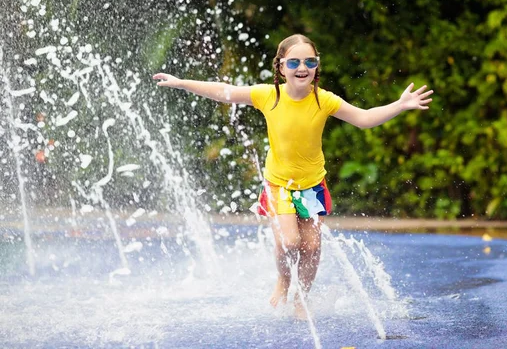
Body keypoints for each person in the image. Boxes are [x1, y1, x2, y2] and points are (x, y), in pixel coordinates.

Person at [153, 34, 433, 319]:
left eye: (310, 61)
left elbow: (364, 119)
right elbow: (224, 91)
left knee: (311, 246)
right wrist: (182, 83)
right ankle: (284, 281)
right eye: (295, 61)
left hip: (311, 186)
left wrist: (399, 105)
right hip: (279, 185)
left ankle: (303, 296)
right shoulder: (269, 95)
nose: (303, 67)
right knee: (289, 241)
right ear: (281, 66)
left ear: (316, 66)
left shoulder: (323, 100)